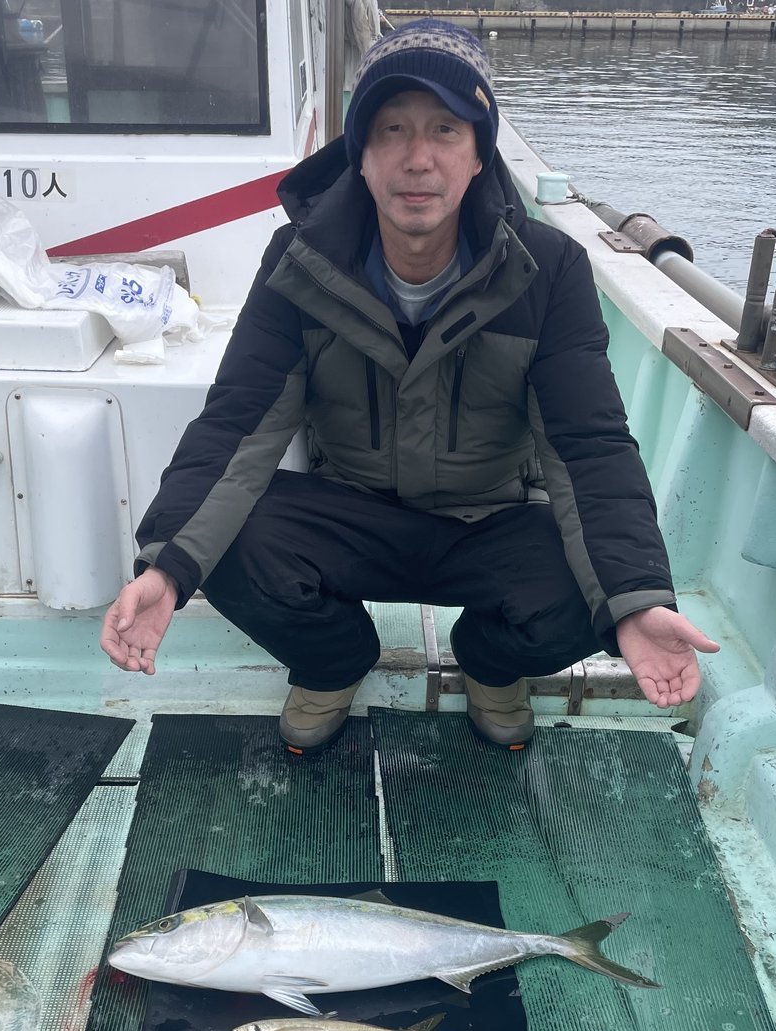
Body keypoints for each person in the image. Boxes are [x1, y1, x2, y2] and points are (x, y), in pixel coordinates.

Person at [101, 18, 717, 751]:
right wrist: (167, 569)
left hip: (491, 519)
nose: (417, 159)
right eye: (391, 129)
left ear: (480, 154)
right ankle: (332, 662)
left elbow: (588, 446)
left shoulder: (549, 271)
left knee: (598, 588)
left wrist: (635, 601)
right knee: (221, 541)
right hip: (352, 511)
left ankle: (490, 663)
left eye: (446, 130)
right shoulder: (298, 262)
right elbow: (239, 423)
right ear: (360, 154)